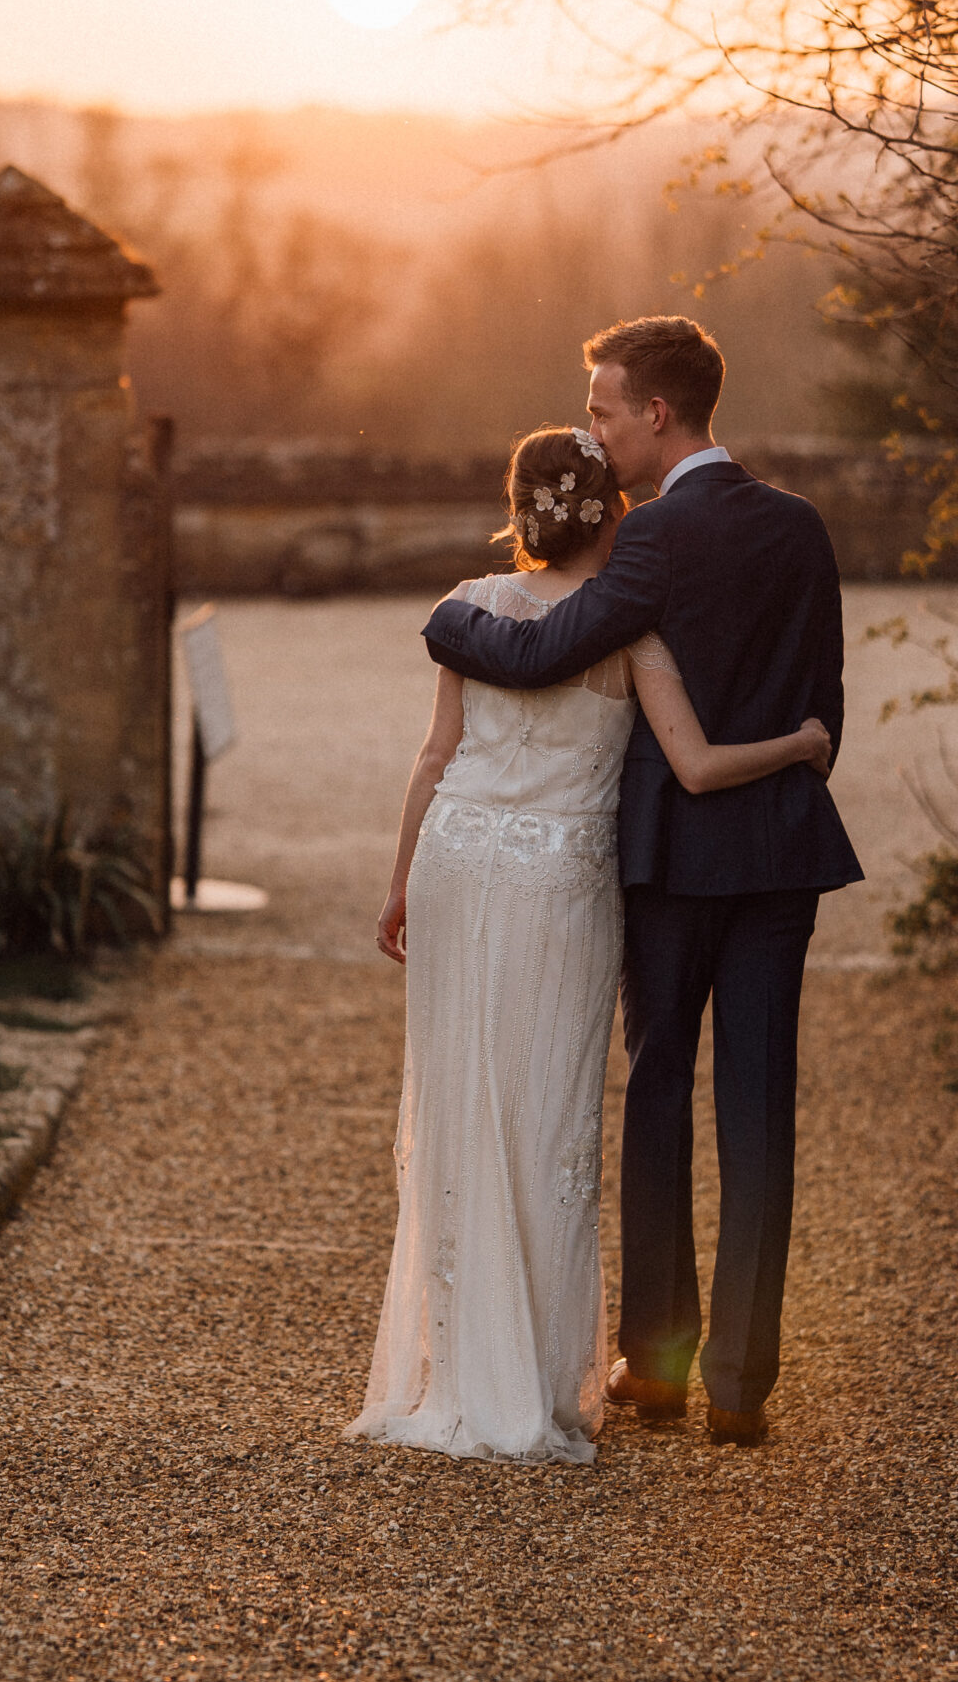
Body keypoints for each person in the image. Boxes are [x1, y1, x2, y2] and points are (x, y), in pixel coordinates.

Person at [347, 421, 834, 1466]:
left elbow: (434, 756)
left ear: (519, 508)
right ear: (607, 509)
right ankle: (599, 1382)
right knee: (554, 1120)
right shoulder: (642, 627)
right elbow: (699, 766)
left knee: (467, 1112)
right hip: (560, 882)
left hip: (456, 862)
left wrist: (395, 885)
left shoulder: (470, 611)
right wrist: (798, 744)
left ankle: (493, 1367)